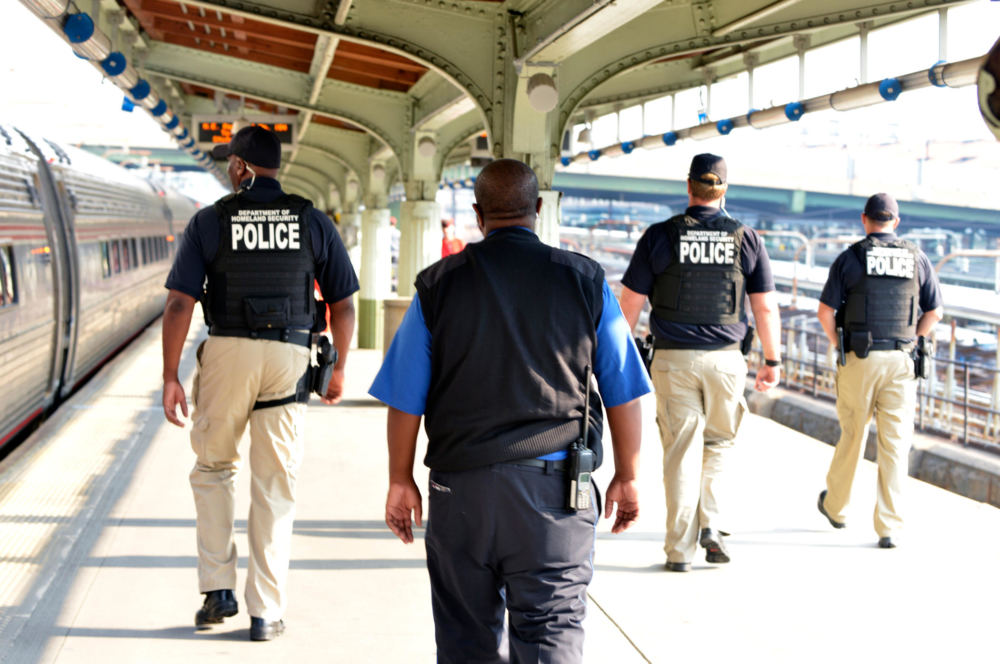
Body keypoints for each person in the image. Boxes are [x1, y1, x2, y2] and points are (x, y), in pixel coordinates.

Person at [370, 158, 651, 663]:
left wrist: (400, 478)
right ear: (538, 209)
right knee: (550, 635)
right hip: (555, 494)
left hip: (460, 494)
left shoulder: (438, 285)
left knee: (466, 640)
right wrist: (628, 474)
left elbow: (405, 397)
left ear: (478, 215)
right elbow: (623, 390)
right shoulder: (586, 281)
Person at [160, 126, 358, 641]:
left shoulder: (210, 221)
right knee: (275, 483)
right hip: (290, 354)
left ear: (244, 168)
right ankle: (265, 612)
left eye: (232, 162)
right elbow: (343, 303)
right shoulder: (312, 220)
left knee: (213, 466)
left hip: (228, 351)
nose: (229, 168)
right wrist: (338, 369)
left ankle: (217, 591)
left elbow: (180, 302)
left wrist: (169, 377)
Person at [618, 153, 782, 572]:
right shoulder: (746, 238)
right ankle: (711, 523)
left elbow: (629, 306)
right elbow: (764, 309)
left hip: (672, 360)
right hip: (727, 361)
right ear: (723, 191)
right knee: (719, 444)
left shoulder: (659, 236)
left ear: (688, 187)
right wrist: (772, 360)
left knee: (680, 451)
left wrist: (617, 360)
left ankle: (678, 551)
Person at [815, 193, 943, 549]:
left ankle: (836, 507)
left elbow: (825, 312)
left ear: (864, 219)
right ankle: (888, 527)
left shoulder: (852, 257)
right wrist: (915, 339)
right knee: (896, 444)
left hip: (861, 358)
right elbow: (935, 312)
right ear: (896, 223)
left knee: (853, 434)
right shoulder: (917, 258)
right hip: (902, 360)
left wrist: (839, 344)